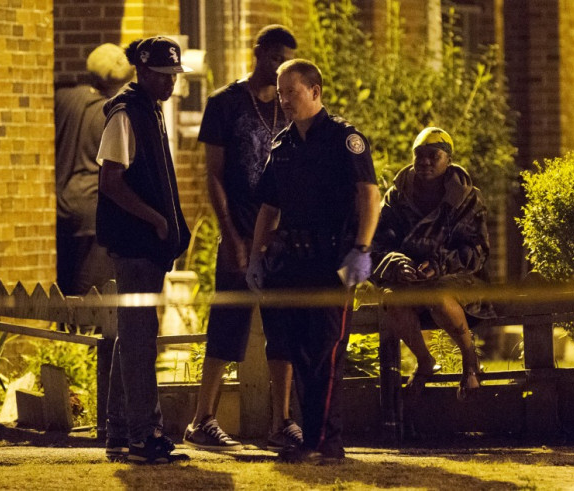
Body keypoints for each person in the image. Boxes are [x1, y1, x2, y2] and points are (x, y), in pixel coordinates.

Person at [246, 59, 380, 463]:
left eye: (292, 92)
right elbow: (269, 208)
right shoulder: (283, 146)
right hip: (293, 263)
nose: (284, 100)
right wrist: (256, 256)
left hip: (331, 261)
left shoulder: (344, 139)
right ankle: (316, 439)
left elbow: (369, 195)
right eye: (281, 92)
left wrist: (362, 249)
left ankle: (325, 442)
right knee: (301, 353)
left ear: (315, 92)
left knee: (326, 352)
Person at [183, 25, 299, 453]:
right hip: (241, 230)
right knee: (227, 323)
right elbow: (213, 175)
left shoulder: (292, 108)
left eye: (285, 63)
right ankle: (201, 420)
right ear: (258, 53)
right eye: (273, 58)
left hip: (282, 239)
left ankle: (281, 422)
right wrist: (231, 233)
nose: (278, 68)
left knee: (282, 327)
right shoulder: (225, 103)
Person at [96, 36, 192, 464]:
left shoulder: (151, 110)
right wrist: (155, 220)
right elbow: (111, 181)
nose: (172, 84)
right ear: (144, 72)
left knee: (131, 336)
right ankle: (144, 435)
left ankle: (119, 429)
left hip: (147, 246)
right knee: (140, 339)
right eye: (164, 76)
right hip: (135, 244)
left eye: (175, 76)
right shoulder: (127, 112)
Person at [370, 127, 493, 401]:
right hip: (411, 281)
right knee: (391, 299)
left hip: (461, 280)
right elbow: (378, 244)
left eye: (432, 155)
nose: (424, 161)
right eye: (419, 155)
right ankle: (425, 361)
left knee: (438, 294)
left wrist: (439, 265)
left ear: (448, 159)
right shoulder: (396, 197)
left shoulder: (467, 198)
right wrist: (395, 263)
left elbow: (478, 250)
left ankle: (469, 359)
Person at [55, 43, 134, 296]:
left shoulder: (62, 99)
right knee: (90, 291)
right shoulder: (109, 112)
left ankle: (63, 335)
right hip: (93, 210)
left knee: (64, 285)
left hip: (62, 205)